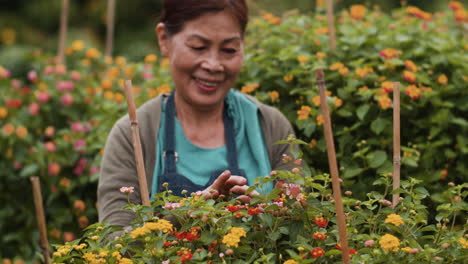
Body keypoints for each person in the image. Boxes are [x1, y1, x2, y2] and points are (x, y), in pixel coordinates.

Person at [98, 0, 297, 228]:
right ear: (164, 39)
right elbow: (114, 243)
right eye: (198, 47)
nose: (213, 65)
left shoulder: (271, 126)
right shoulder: (133, 135)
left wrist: (267, 218)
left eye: (229, 50)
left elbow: (300, 222)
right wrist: (189, 216)